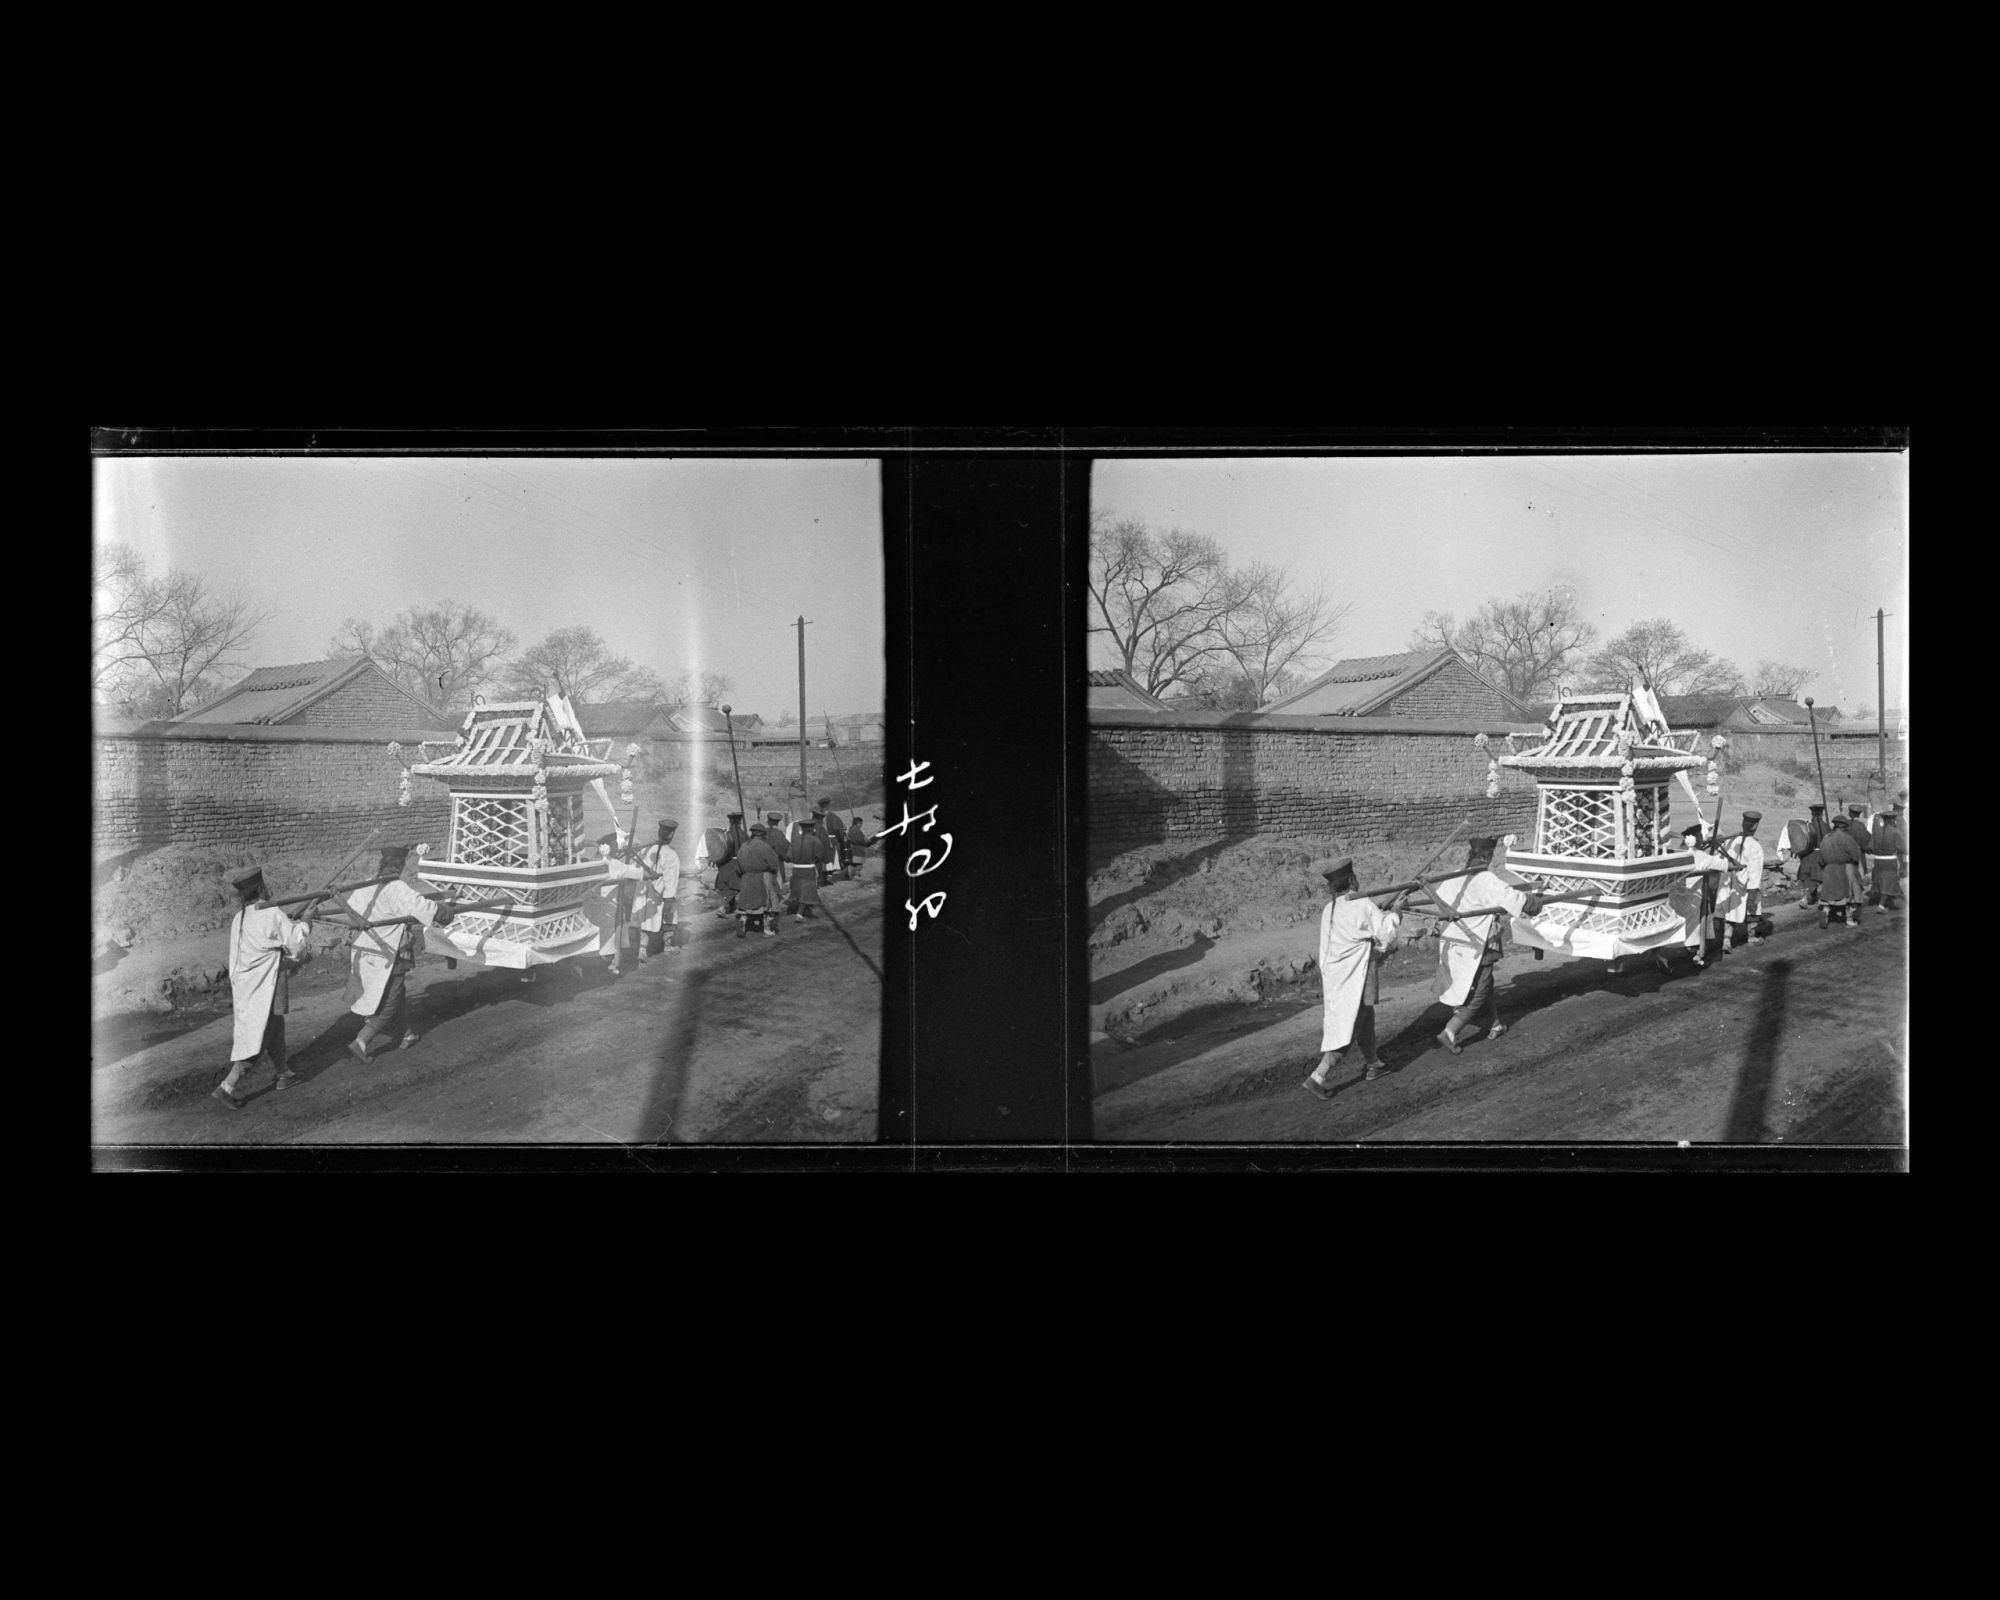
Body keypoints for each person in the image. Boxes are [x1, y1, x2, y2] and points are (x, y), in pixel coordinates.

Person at [1302, 858, 1408, 1096]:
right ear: (1351, 879)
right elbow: (1386, 934)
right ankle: (1318, 1076)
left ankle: (1374, 1064)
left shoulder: (1330, 909)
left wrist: (1382, 912)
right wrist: (1397, 912)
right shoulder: (1361, 903)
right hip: (1355, 976)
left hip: (1338, 977)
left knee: (1364, 1015)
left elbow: (1361, 928)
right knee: (1351, 1024)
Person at [1429, 836, 1545, 1053]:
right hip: (1477, 944)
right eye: (1490, 857)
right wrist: (1535, 903)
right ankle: (1450, 1031)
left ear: (1470, 856)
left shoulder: (1453, 877)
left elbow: (1441, 905)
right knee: (1480, 990)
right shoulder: (1487, 879)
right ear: (1487, 857)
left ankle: (1495, 1024)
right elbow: (1515, 900)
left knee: (1486, 983)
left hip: (1454, 942)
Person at [341, 845, 456, 1062]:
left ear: (381, 865)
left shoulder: (365, 885)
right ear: (401, 866)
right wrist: (446, 912)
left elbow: (351, 913)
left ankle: (407, 1034)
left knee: (397, 993)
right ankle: (362, 1040)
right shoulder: (397, 888)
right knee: (391, 1000)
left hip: (366, 951)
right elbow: (423, 908)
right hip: (389, 954)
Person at [214, 866, 315, 1110]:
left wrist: (292, 922)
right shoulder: (270, 912)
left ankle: (284, 1074)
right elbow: (296, 944)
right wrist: (307, 922)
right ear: (261, 888)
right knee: (261, 1033)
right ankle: (227, 1086)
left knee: (274, 1025)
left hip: (248, 986)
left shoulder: (240, 918)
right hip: (264, 985)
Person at [1664, 824, 1732, 970]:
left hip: (1673, 901)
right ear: (1698, 841)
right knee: (1701, 916)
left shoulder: (1673, 854)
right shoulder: (1701, 856)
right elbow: (1726, 865)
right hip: (1693, 902)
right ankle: (1696, 953)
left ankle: (1686, 951)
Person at [588, 832, 646, 976]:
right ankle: (610, 963)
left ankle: (600, 961)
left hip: (590, 910)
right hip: (609, 912)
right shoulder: (616, 864)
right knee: (610, 937)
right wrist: (634, 856)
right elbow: (641, 873)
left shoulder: (589, 862)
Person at [1715, 810, 1768, 950]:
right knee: (1753, 907)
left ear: (1743, 823)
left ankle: (1726, 941)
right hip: (1744, 883)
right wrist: (1753, 891)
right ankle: (1751, 936)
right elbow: (1755, 872)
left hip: (1727, 882)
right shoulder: (1755, 846)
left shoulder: (1730, 840)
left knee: (1729, 909)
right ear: (1756, 826)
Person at [637, 819, 683, 958]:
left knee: (647, 918)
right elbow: (671, 879)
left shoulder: (647, 849)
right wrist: (669, 898)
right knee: (670, 915)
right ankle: (668, 946)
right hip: (662, 891)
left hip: (647, 891)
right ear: (672, 834)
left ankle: (642, 950)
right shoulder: (671, 854)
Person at [734, 822, 784, 937]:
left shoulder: (743, 847)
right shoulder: (765, 847)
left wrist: (745, 874)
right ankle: (767, 929)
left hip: (746, 879)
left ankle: (743, 919)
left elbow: (737, 868)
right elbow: (773, 865)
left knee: (746, 904)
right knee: (770, 904)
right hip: (762, 877)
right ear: (762, 835)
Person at [1816, 815, 1866, 928]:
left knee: (1829, 894)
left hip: (1828, 870)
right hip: (1844, 868)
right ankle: (1849, 920)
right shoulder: (1847, 838)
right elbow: (1856, 856)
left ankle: (1826, 910)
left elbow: (1820, 859)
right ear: (1844, 826)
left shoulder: (1825, 838)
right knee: (1850, 894)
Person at [788, 813, 830, 920]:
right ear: (812, 829)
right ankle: (800, 914)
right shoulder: (815, 840)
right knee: (807, 890)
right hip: (808, 869)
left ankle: (802, 910)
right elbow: (819, 855)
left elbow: (789, 855)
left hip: (796, 869)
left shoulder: (795, 840)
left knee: (798, 889)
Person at [1788, 802, 1829, 905]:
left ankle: (1811, 898)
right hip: (1819, 855)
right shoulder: (1825, 826)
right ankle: (1808, 899)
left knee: (1808, 878)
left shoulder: (1807, 826)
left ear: (1812, 813)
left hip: (1807, 856)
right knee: (1817, 878)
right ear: (1822, 813)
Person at [1869, 804, 1907, 910]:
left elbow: (1870, 847)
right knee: (1889, 881)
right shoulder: (1896, 831)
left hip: (1877, 861)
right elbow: (1903, 848)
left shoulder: (1876, 831)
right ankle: (1881, 905)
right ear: (1892, 820)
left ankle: (1886, 900)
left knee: (1881, 879)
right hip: (1890, 861)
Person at [713, 811, 747, 915]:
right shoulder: (743, 835)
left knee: (726, 886)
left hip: (725, 864)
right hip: (736, 863)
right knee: (734, 887)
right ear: (740, 821)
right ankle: (723, 908)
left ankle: (731, 907)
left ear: (730, 821)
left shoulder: (725, 834)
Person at [846, 815, 872, 882]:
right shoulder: (857, 831)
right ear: (858, 823)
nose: (861, 825)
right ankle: (855, 875)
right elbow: (860, 840)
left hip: (852, 849)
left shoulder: (851, 829)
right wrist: (867, 842)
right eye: (860, 824)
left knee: (853, 864)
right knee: (859, 864)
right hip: (858, 849)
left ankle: (850, 874)